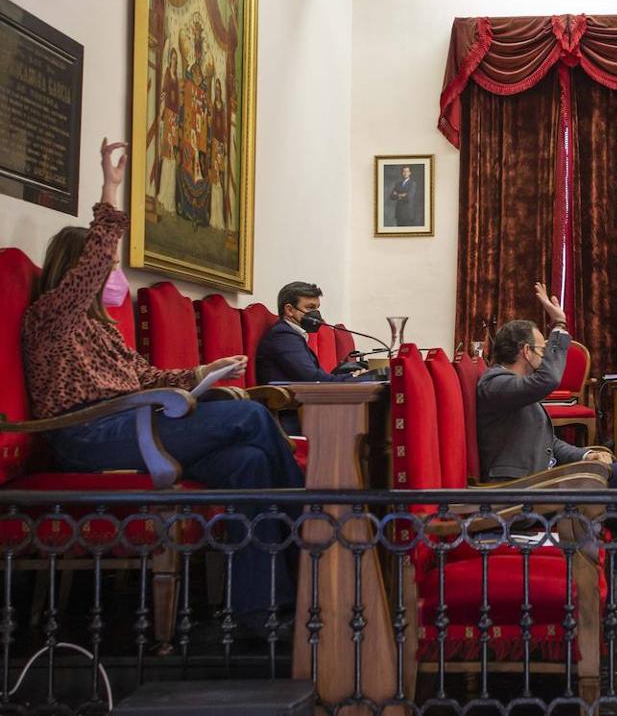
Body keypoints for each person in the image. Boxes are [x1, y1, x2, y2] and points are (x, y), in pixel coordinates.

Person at [22, 138, 303, 637]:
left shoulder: (101, 328)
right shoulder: (50, 318)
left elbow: (148, 379)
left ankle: (260, 614)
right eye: (105, 268)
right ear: (75, 272)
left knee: (250, 463)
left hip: (134, 423)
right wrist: (110, 190)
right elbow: (90, 273)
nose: (112, 276)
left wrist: (204, 372)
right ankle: (316, 537)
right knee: (252, 416)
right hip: (89, 435)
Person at [477, 283, 617, 638]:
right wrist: (560, 325)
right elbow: (549, 379)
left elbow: (549, 443)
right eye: (541, 349)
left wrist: (586, 454)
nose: (545, 355)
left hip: (548, 488)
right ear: (526, 351)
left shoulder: (514, 389)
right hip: (524, 499)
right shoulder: (496, 384)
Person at [254, 281, 379, 434]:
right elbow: (312, 379)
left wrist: (352, 376)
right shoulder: (284, 336)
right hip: (287, 417)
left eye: (317, 308)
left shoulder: (293, 335)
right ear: (289, 310)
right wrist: (361, 379)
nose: (316, 315)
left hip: (303, 409)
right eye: (310, 308)